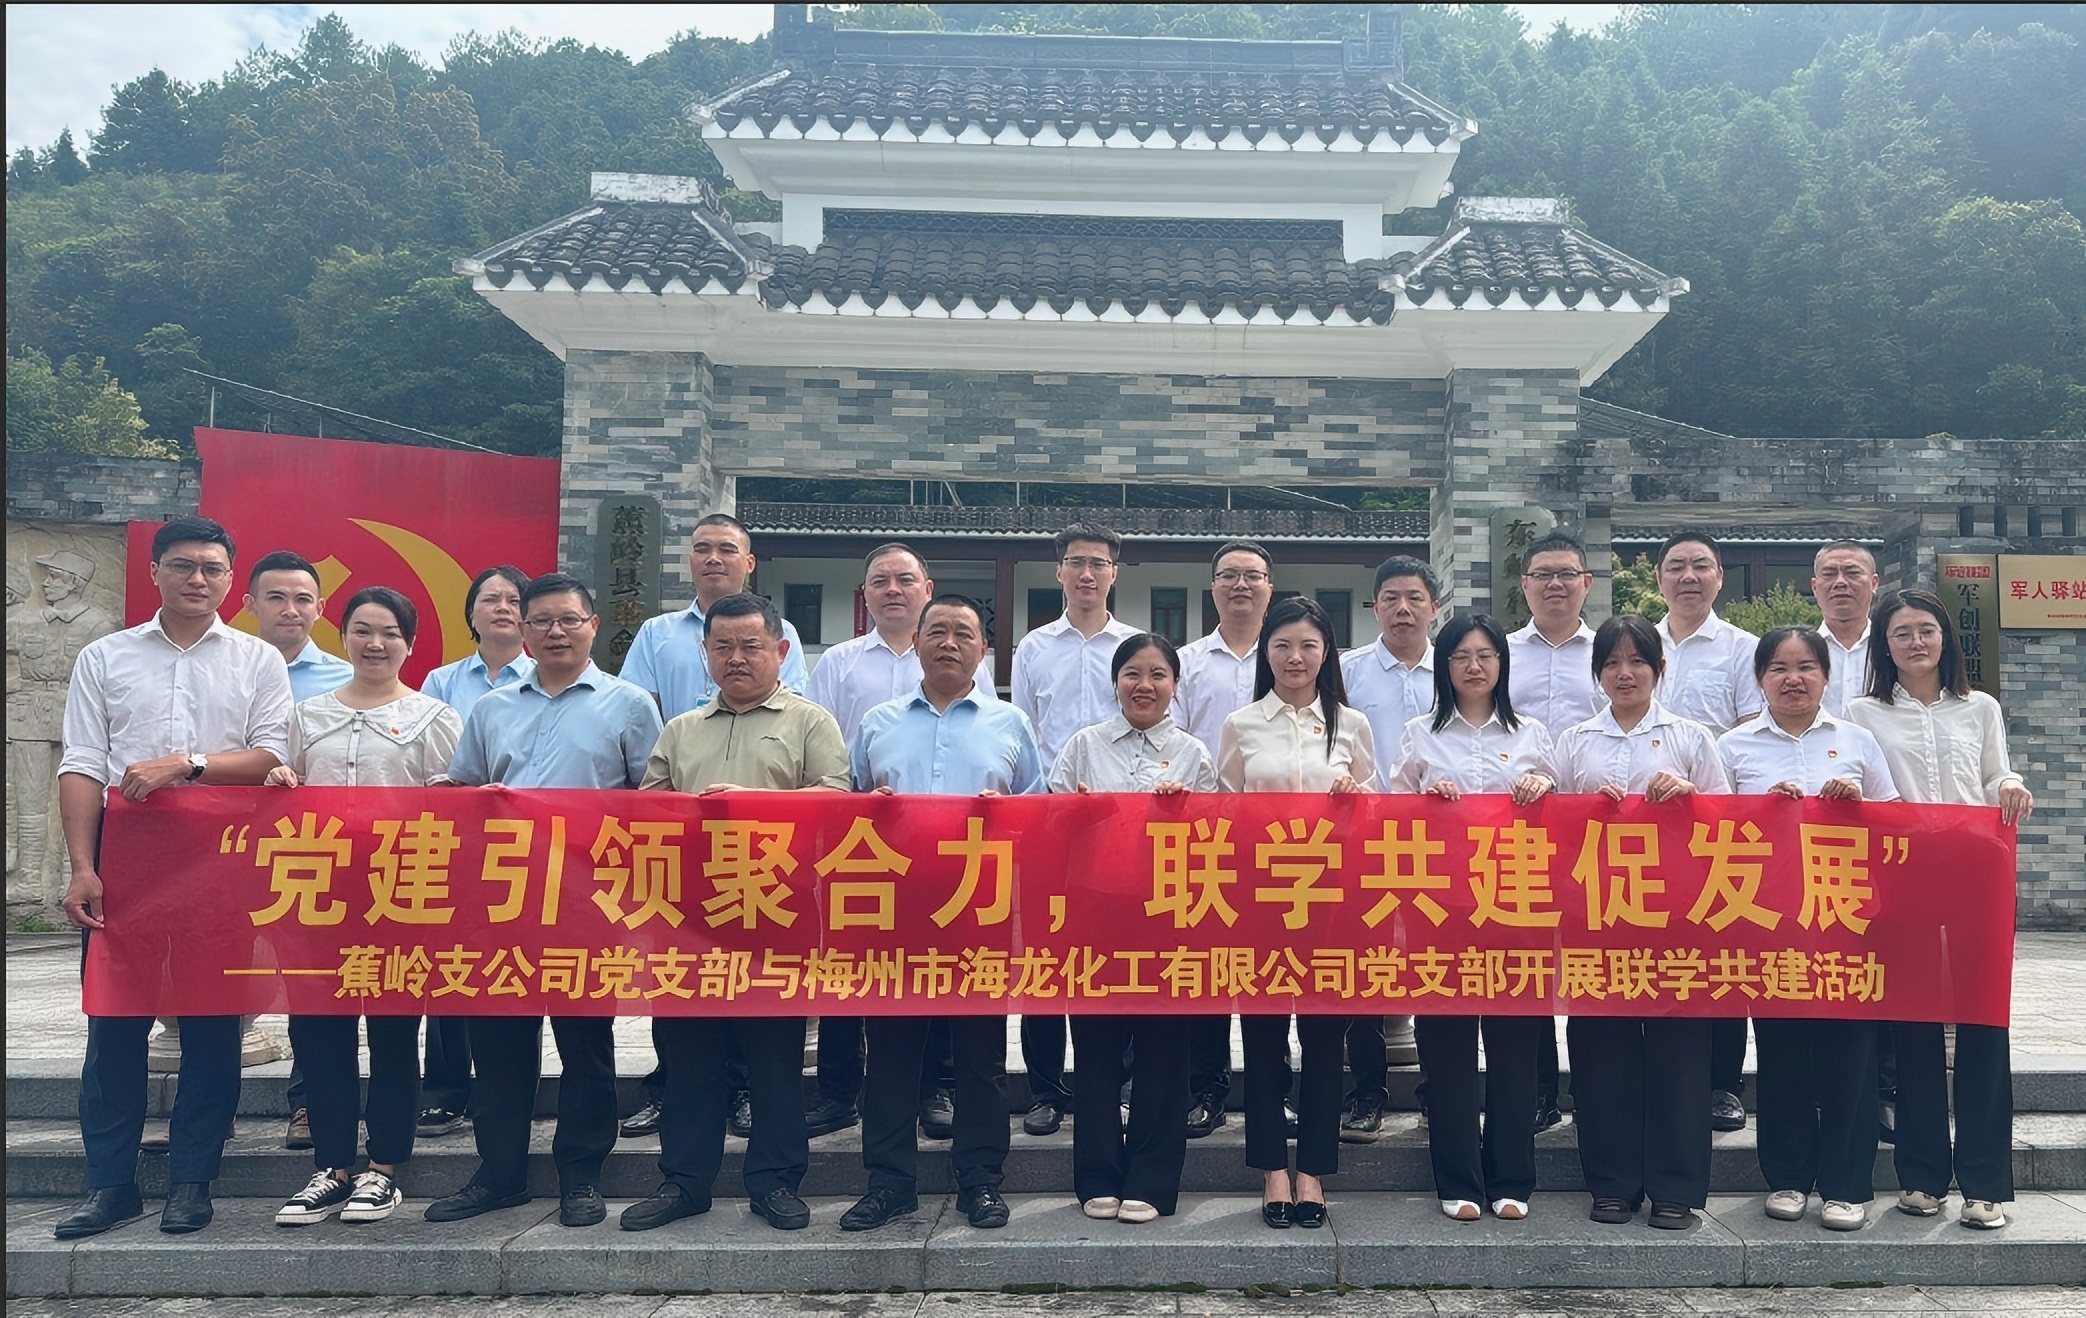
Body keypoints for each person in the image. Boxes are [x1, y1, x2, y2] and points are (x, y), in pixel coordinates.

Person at [53, 516, 293, 1240]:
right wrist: (84, 867)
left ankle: (193, 1180)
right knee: (114, 1028)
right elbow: (81, 762)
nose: (198, 579)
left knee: (214, 1026)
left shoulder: (256, 659)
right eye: (184, 565)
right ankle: (110, 1185)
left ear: (230, 581)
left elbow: (271, 755)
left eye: (213, 569)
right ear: (154, 570)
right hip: (125, 864)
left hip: (220, 863)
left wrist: (187, 764)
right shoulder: (105, 656)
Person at [426, 572, 663, 1229]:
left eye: (570, 620)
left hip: (587, 902)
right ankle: (498, 1173)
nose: (557, 632)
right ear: (523, 630)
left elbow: (652, 804)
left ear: (593, 626)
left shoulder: (629, 705)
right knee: (499, 1044)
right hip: (502, 902)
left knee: (586, 1043)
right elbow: (466, 791)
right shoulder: (492, 707)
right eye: (543, 622)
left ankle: (580, 1174)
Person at [618, 592, 849, 1234]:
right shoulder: (681, 728)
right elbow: (650, 812)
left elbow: (837, 801)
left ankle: (775, 1183)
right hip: (688, 923)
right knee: (690, 1060)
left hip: (775, 917)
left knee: (774, 1062)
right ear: (706, 654)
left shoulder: (810, 722)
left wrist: (754, 804)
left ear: (781, 651)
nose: (737, 658)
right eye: (723, 647)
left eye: (751, 646)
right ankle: (684, 1182)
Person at [842, 594, 1046, 1233]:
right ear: (917, 642)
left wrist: (1006, 816)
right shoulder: (877, 722)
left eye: (963, 633)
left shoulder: (1010, 723)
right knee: (891, 1057)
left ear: (984, 649)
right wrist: (871, 809)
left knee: (980, 1058)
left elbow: (1039, 812)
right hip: (892, 911)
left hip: (978, 910)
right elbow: (846, 809)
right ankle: (889, 1184)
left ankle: (980, 1181)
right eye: (937, 631)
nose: (949, 642)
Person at [265, 587, 462, 1227]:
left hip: (398, 899)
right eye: (362, 631)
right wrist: (280, 784)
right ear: (343, 635)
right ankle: (331, 1165)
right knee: (318, 1033)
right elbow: (285, 794)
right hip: (317, 899)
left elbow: (452, 813)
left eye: (390, 633)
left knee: (394, 1032)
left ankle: (385, 1167)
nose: (375, 644)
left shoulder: (434, 718)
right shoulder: (307, 716)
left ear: (410, 643)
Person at [615, 513, 805, 1141]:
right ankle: (672, 1094)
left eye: (727, 548)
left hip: (765, 867)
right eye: (702, 548)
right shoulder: (656, 634)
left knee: (759, 993)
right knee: (682, 989)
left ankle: (747, 1095)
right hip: (685, 854)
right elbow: (640, 713)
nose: (714, 558)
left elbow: (813, 762)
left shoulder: (783, 639)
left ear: (750, 562)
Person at [1848, 589, 2032, 1230]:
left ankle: (1986, 1184)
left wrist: (2011, 783)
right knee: (1914, 1028)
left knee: (1984, 1023)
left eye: (1926, 630)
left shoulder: (1980, 707)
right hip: (1902, 880)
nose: (1916, 642)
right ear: (1885, 646)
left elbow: (1994, 775)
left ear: (1946, 638)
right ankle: (1922, 1177)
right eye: (1901, 633)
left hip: (1976, 874)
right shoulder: (1862, 713)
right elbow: (1863, 787)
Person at [801, 543, 991, 1142]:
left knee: (939, 983)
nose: (892, 589)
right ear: (865, 592)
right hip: (870, 860)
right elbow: (830, 757)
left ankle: (935, 1090)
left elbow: (998, 761)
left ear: (925, 590)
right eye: (880, 580)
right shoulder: (839, 663)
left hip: (957, 866)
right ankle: (839, 1091)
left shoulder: (965, 665)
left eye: (904, 579)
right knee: (851, 978)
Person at [1549, 615, 1728, 1229]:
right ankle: (1612, 1183)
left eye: (1637, 662)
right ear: (1597, 673)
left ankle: (1677, 1188)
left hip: (1678, 917)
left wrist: (1690, 797)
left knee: (1680, 1053)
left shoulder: (1691, 738)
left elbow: (1729, 824)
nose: (1624, 674)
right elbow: (1550, 828)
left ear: (1659, 668)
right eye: (1611, 663)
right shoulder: (1574, 741)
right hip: (1598, 915)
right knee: (1602, 1052)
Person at [1717, 626, 1898, 1232]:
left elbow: (1896, 822)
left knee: (1850, 1056)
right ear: (1760, 679)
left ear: (1825, 676)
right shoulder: (1733, 746)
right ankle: (1788, 1177)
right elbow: (1709, 831)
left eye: (1805, 668)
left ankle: (1847, 1185)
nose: (1792, 679)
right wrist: (1759, 809)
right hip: (1770, 923)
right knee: (1783, 1054)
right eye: (1778, 668)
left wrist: (1857, 804)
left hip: (1847, 921)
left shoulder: (1856, 740)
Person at [1387, 613, 1555, 1222]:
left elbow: (1563, 816)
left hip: (1517, 905)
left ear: (1502, 664)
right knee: (1447, 1047)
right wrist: (1425, 804)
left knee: (1514, 1047)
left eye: (1486, 655)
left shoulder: (1534, 734)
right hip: (1442, 909)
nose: (1474, 666)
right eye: (1461, 656)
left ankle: (1512, 1177)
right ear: (1444, 666)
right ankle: (1457, 1178)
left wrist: (1542, 786)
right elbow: (1393, 816)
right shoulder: (1420, 735)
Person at [1216, 596, 1375, 1231]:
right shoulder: (1241, 724)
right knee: (1262, 1038)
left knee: (1324, 1036)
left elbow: (1379, 812)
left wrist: (1357, 797)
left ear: (1326, 652)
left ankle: (1313, 1169)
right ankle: (1271, 1170)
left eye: (1308, 645)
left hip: (1332, 902)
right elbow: (1224, 811)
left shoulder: (1352, 724)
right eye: (1282, 645)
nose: (1295, 657)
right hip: (1261, 902)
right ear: (1267, 653)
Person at [1049, 633, 1216, 1224]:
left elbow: (1216, 839)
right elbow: (1050, 826)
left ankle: (1152, 1178)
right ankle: (1097, 1174)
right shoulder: (1083, 746)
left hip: (1168, 915)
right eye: (1132, 674)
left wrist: (1184, 812)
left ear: (1175, 685)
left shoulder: (1194, 754)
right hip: (1093, 915)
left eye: (1158, 675)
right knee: (1095, 1049)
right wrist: (1077, 813)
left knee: (1163, 1051)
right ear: (1115, 682)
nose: (1145, 686)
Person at [1010, 522, 1139, 1138]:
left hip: (1123, 830)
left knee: (1120, 955)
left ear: (1115, 573)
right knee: (1045, 958)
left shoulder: (1136, 645)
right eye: (1076, 562)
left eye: (1099, 563)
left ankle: (1120, 1081)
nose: (1087, 574)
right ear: (1059, 571)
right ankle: (1045, 1088)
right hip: (1052, 823)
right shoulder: (1033, 648)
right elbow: (1024, 734)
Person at [414, 564, 535, 1140]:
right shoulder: (442, 682)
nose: (503, 608)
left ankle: (512, 1089)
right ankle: (445, 1089)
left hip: (531, 849)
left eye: (514, 599)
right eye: (490, 599)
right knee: (453, 965)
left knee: (527, 969)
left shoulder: (547, 677)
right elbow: (434, 760)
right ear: (471, 613)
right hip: (458, 844)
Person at [242, 549, 355, 1148]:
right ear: (250, 603)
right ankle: (209, 1107)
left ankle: (308, 1103)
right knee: (222, 976)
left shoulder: (348, 681)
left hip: (313, 857)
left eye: (303, 598)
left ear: (320, 607)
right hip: (230, 848)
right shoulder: (230, 668)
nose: (290, 609)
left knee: (311, 980)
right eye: (277, 597)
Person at [1652, 531, 1762, 1135]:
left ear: (1720, 575)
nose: (1688, 577)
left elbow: (1751, 733)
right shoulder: (1639, 644)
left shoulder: (1742, 649)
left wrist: (1700, 786)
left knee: (1722, 953)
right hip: (1643, 836)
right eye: (1676, 566)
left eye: (1701, 566)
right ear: (1659, 578)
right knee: (1657, 954)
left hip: (1716, 826)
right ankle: (1660, 1073)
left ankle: (1722, 1083)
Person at [1337, 555, 1444, 1138]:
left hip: (1439, 843)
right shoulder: (1347, 672)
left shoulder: (1454, 669)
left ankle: (1436, 1091)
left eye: (1414, 598)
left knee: (1432, 965)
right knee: (1363, 968)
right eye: (1391, 599)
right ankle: (1367, 1092)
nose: (1403, 609)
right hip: (1360, 839)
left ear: (1434, 607)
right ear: (1374, 607)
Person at [1172, 539, 1276, 1138]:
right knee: (1210, 966)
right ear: (1212, 586)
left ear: (1269, 587)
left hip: (1284, 842)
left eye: (1252, 576)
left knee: (1276, 967)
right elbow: (1174, 744)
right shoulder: (1186, 663)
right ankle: (1205, 1088)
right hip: (1204, 837)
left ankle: (1273, 1090)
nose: (1241, 585)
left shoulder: (1290, 655)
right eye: (1229, 575)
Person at [1507, 529, 1606, 1137]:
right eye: (1542, 574)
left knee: (1592, 958)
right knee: (1530, 962)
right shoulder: (1500, 654)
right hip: (1516, 835)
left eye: (1566, 573)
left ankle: (1596, 1090)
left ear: (1586, 583)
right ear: (1524, 586)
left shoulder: (1611, 654)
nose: (1555, 585)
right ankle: (1539, 1091)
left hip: (1597, 836)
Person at [1812, 542, 1879, 718]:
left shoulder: (1891, 649)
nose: (1840, 582)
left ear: (1874, 583)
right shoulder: (1802, 652)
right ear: (1814, 587)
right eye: (1829, 574)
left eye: (1852, 573)